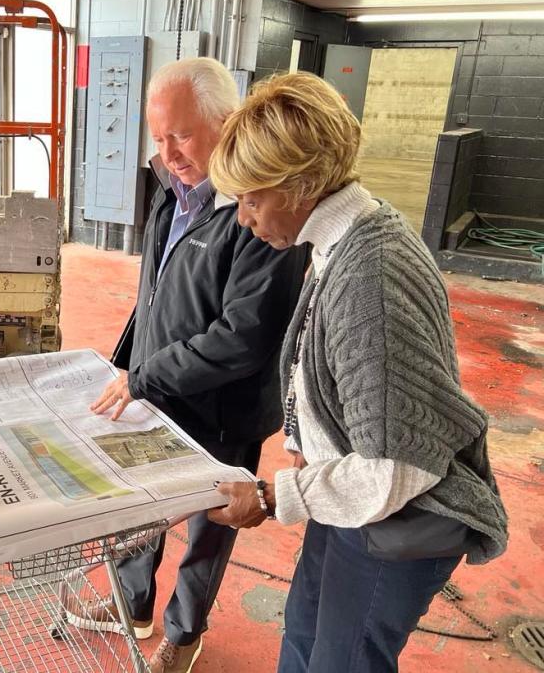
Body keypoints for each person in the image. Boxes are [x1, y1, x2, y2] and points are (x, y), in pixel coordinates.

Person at [207, 72, 508, 672]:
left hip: (398, 513)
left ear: (304, 184)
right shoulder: (345, 235)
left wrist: (273, 497)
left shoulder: (371, 275)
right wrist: (309, 446)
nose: (244, 219)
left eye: (253, 198)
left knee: (341, 662)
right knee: (303, 633)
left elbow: (399, 463)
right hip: (348, 498)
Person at [71, 58, 310, 673]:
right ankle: (134, 601)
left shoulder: (257, 210)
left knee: (210, 524)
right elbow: (150, 294)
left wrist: (146, 375)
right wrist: (124, 362)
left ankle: (183, 631)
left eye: (180, 134)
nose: (168, 151)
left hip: (223, 411)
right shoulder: (170, 195)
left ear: (225, 122)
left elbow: (243, 338)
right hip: (161, 393)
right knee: (141, 506)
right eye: (158, 137)